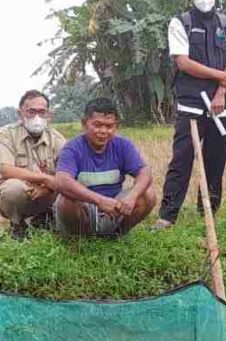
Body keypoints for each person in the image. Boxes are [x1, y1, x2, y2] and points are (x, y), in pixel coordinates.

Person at [153, 0, 226, 230]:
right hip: (191, 103)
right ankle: (167, 216)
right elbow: (183, 62)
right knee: (182, 159)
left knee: (216, 160)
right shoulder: (180, 23)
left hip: (222, 104)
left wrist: (221, 92)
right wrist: (219, 77)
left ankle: (209, 212)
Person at [54, 98, 156, 237]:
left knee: (147, 194)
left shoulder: (123, 145)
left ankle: (116, 237)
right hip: (85, 209)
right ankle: (79, 241)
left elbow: (145, 172)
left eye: (109, 126)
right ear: (85, 124)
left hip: (115, 208)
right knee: (66, 200)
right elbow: (62, 181)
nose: (103, 131)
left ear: (116, 126)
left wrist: (132, 196)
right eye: (97, 125)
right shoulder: (72, 148)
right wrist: (99, 200)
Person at [0, 90, 67, 238]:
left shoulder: (57, 139)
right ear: (20, 114)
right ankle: (17, 224)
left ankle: (46, 219)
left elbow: (69, 172)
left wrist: (48, 189)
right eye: (31, 112)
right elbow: (5, 169)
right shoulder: (7, 134)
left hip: (48, 194)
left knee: (72, 186)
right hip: (21, 193)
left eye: (42, 112)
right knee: (14, 189)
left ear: (49, 115)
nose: (37, 117)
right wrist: (44, 179)